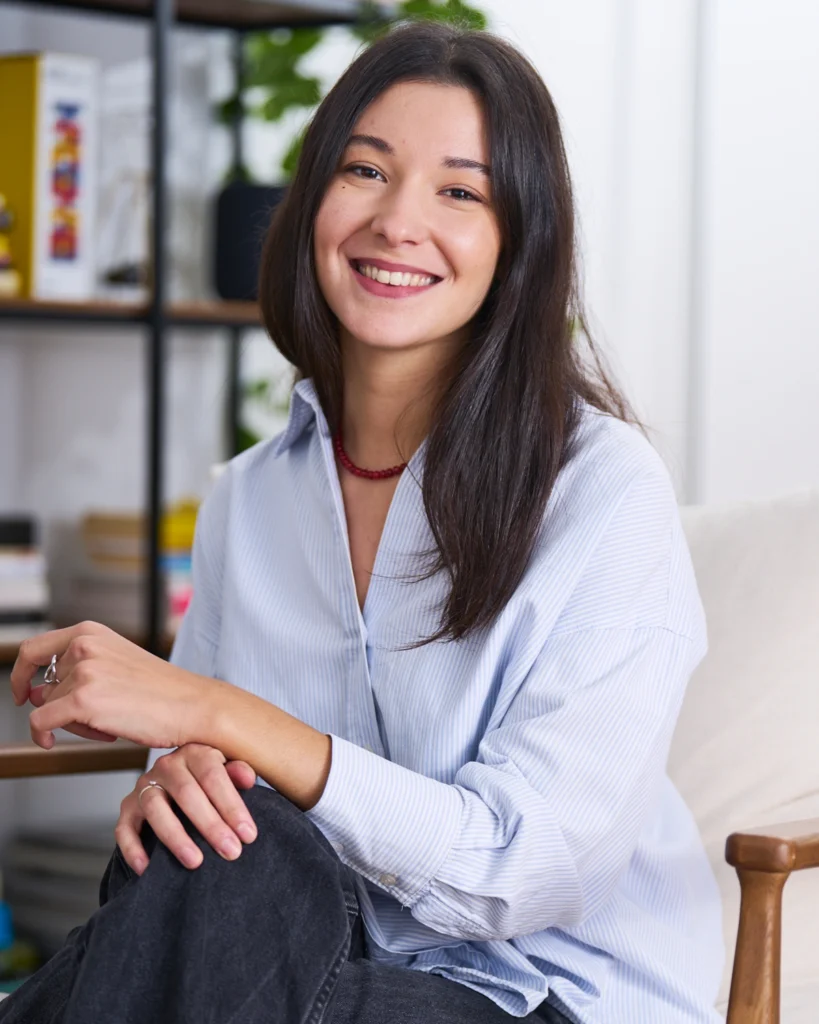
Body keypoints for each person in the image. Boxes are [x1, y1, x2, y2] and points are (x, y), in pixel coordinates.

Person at [2, 21, 724, 1024]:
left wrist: (218, 715)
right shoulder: (249, 499)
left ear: (521, 240)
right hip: (283, 965)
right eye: (366, 169)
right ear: (311, 203)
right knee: (222, 848)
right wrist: (175, 782)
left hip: (540, 995)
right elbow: (203, 781)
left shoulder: (602, 490)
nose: (397, 221)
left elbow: (525, 868)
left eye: (460, 191)